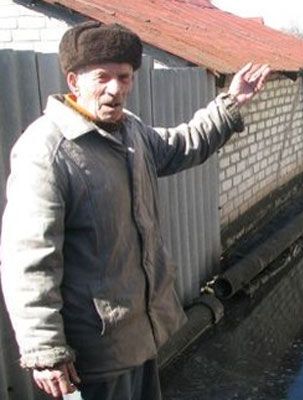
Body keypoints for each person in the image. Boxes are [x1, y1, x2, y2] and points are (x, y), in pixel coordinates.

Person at [0, 21, 270, 399]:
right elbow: (27, 260)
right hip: (92, 355)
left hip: (138, 335)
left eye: (124, 77)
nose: (115, 89)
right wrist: (45, 351)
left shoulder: (130, 132)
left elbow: (183, 144)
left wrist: (231, 102)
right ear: (74, 82)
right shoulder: (47, 152)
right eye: (103, 77)